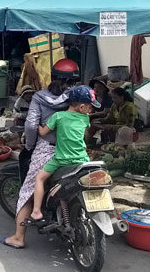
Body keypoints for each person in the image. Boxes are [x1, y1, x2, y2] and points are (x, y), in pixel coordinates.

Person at [0, 59, 79, 249]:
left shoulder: (39, 97)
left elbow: (30, 124)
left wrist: (30, 144)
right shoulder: (77, 96)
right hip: (74, 149)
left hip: (47, 148)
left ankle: (19, 237)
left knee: (28, 190)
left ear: (51, 76)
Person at [30, 86, 99, 221]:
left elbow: (43, 132)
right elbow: (85, 134)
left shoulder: (58, 116)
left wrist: (36, 121)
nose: (90, 110)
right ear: (81, 107)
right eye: (90, 107)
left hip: (61, 160)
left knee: (39, 178)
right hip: (82, 159)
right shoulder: (85, 119)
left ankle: (36, 211)